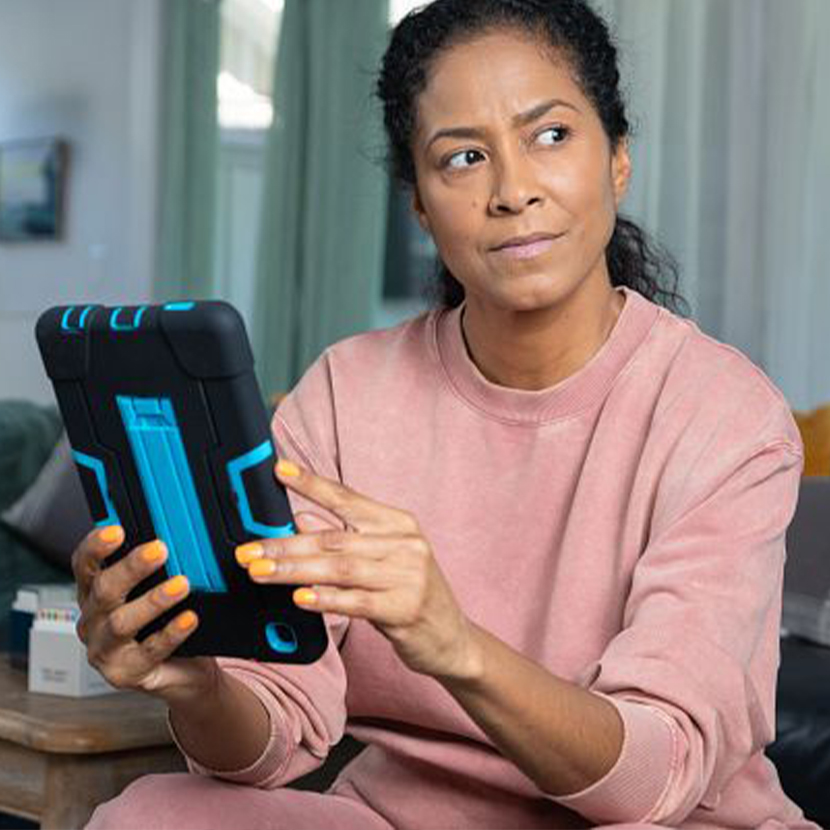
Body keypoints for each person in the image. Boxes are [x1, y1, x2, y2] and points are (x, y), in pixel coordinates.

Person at [81, 0, 819, 828]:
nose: (513, 192)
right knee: (156, 813)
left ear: (617, 159)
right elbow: (272, 739)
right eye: (464, 157)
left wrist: (455, 645)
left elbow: (654, 780)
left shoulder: (725, 417)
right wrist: (196, 684)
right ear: (422, 206)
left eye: (551, 136)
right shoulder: (345, 394)